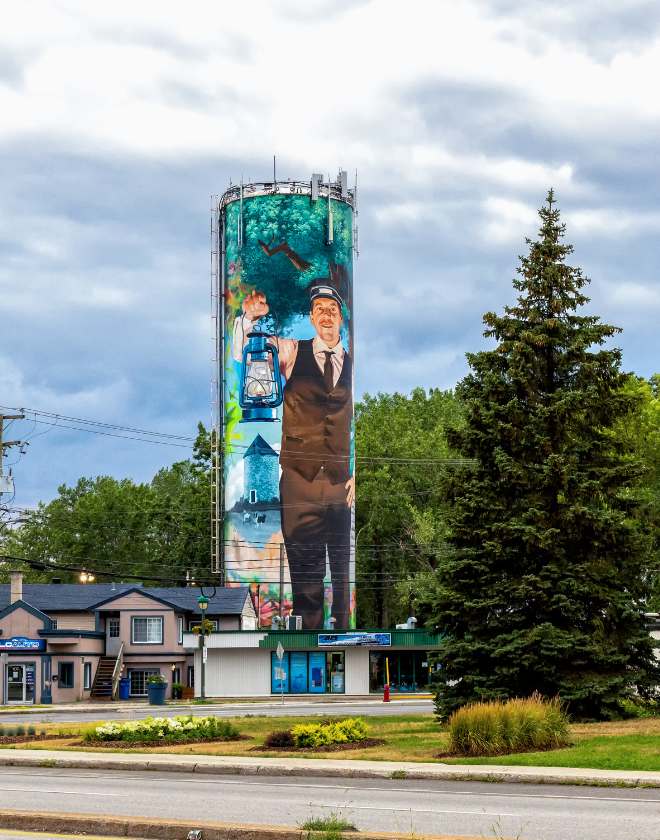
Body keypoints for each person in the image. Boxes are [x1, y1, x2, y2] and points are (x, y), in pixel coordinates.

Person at [232, 272, 354, 630]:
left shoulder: (353, 362)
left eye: (333, 308)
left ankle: (345, 640)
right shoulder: (292, 350)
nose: (327, 315)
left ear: (341, 318)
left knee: (345, 575)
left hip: (339, 485)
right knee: (306, 573)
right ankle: (307, 645)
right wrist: (247, 319)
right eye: (320, 309)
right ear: (313, 317)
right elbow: (246, 352)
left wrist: (355, 474)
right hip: (299, 483)